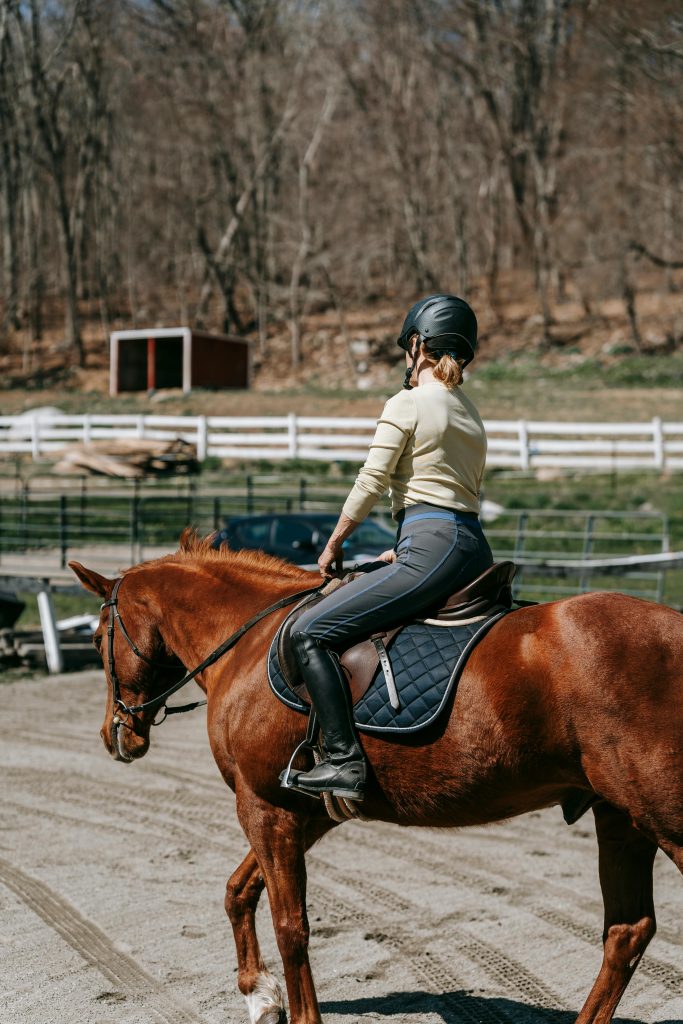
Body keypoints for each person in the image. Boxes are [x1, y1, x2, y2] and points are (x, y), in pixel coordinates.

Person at [285, 294, 494, 802]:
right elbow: (446, 488)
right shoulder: (469, 412)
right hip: (470, 548)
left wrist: (335, 542)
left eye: (408, 346)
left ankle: (342, 760)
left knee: (311, 633)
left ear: (418, 345)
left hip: (433, 543)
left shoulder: (408, 403)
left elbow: (372, 481)